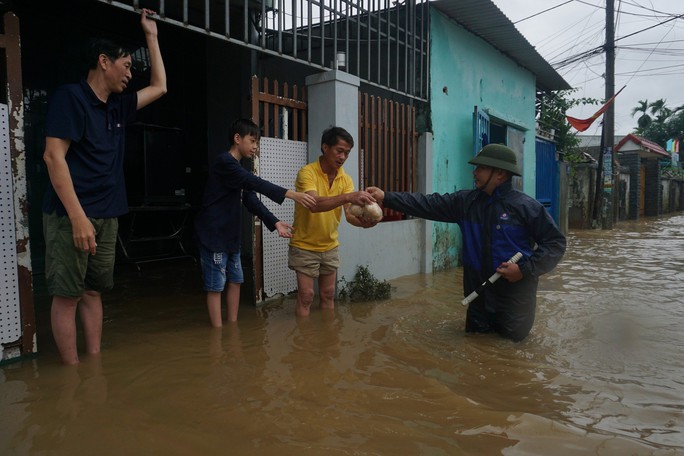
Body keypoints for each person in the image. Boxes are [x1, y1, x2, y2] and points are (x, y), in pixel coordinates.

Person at [42, 9, 167, 365]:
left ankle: (92, 365)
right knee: (67, 295)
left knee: (93, 292)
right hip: (71, 216)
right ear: (103, 62)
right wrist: (78, 218)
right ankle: (71, 373)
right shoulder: (71, 98)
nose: (131, 73)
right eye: (126, 66)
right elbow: (54, 157)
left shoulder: (118, 106)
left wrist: (151, 36)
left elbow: (160, 87)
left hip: (107, 213)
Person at [367, 144, 566, 341]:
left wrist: (524, 270)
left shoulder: (526, 207)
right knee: (476, 350)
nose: (475, 172)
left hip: (515, 301)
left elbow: (555, 244)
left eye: (481, 168)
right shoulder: (466, 203)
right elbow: (427, 203)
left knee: (512, 357)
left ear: (500, 174)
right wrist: (387, 197)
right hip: (478, 297)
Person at [194, 119, 316, 327]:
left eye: (256, 142)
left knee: (236, 281)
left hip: (230, 236)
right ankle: (217, 333)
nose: (255, 147)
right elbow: (255, 183)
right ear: (237, 139)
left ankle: (231, 328)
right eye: (252, 141)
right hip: (214, 236)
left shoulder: (236, 168)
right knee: (215, 286)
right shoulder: (225, 163)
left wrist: (275, 222)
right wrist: (291, 194)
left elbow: (250, 199)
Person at [288, 126, 377, 317]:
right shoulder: (307, 173)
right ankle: (304, 343)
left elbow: (349, 215)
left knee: (328, 295)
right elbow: (314, 204)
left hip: (330, 246)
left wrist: (363, 223)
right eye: (340, 151)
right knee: (306, 296)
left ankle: (327, 341)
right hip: (304, 245)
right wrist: (347, 197)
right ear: (325, 147)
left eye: (347, 153)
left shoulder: (345, 179)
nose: (343, 157)